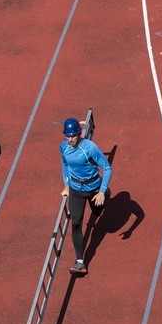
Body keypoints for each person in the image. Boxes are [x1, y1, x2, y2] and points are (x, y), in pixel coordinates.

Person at [60, 117, 112, 275]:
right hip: (76, 189)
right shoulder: (64, 147)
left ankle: (105, 196)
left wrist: (102, 191)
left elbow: (107, 168)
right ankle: (80, 262)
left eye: (73, 136)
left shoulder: (89, 148)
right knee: (75, 223)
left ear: (79, 133)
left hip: (94, 188)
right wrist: (67, 184)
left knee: (97, 212)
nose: (70, 139)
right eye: (67, 136)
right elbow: (65, 165)